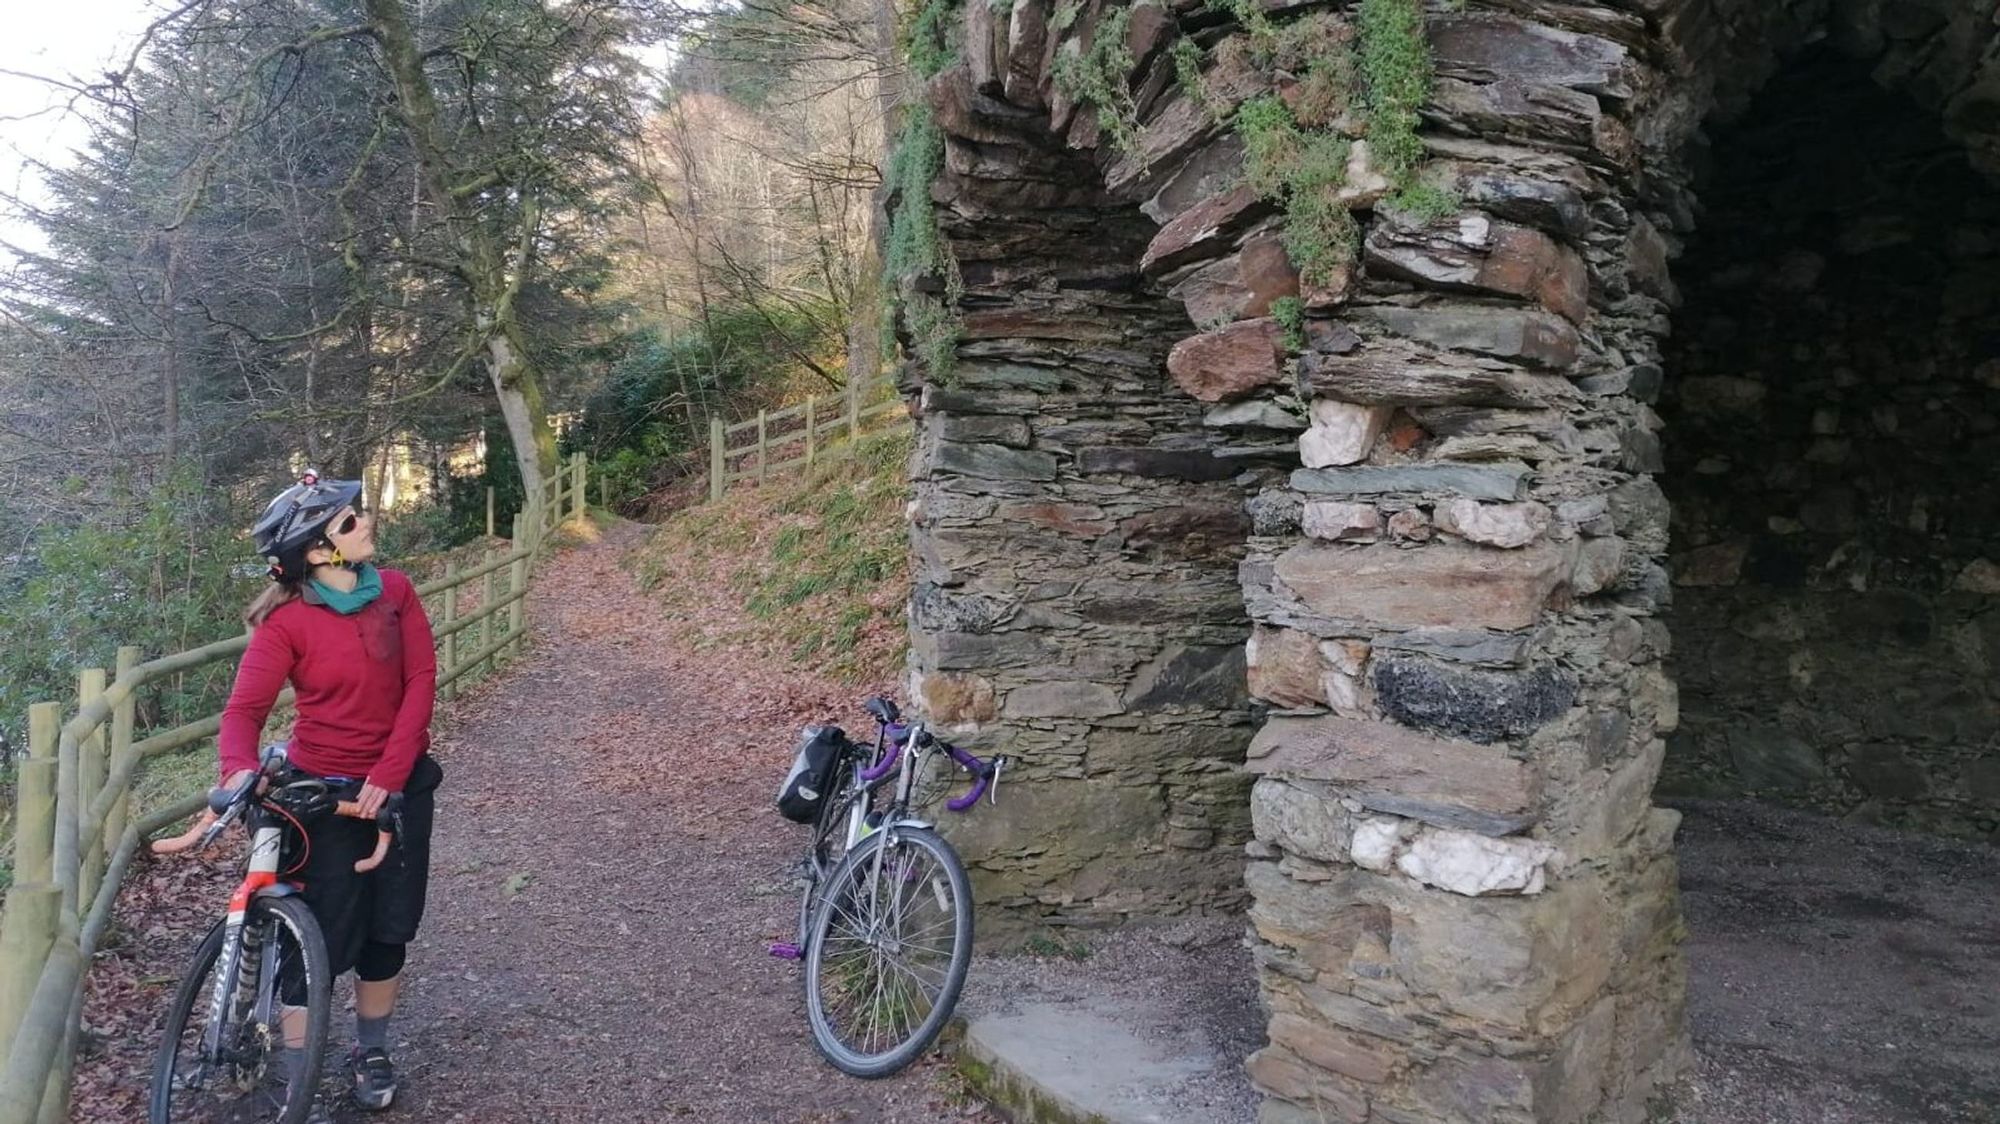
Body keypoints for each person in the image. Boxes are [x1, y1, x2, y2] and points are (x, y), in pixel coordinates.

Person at [218, 470, 442, 1117]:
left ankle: (370, 1048)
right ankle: (298, 1068)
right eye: (348, 522)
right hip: (319, 799)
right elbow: (242, 713)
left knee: (387, 929)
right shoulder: (288, 622)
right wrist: (237, 771)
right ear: (317, 550)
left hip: (397, 789)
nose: (365, 523)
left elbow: (421, 683)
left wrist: (389, 776)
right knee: (310, 935)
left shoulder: (396, 593)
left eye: (358, 514)